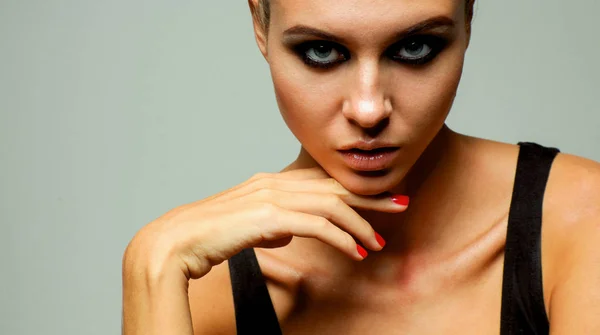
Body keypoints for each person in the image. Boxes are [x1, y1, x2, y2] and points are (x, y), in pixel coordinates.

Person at [121, 0, 600, 334]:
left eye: (415, 47)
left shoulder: (580, 219)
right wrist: (152, 260)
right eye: (322, 51)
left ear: (468, 19)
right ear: (260, 26)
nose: (369, 108)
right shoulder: (207, 284)